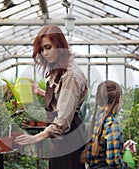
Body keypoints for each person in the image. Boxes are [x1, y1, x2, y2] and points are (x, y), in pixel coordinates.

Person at [15, 24, 88, 169]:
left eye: (48, 47)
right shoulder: (59, 69)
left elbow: (63, 120)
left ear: (59, 45)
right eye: (41, 50)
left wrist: (35, 137)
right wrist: (41, 92)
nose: (45, 53)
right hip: (63, 136)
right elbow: (63, 99)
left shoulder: (70, 76)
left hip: (68, 135)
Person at [81, 80, 130, 169]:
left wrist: (122, 147)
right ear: (119, 99)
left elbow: (90, 156)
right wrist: (127, 166)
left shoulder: (96, 120)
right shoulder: (112, 124)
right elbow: (114, 162)